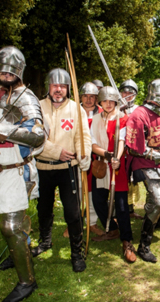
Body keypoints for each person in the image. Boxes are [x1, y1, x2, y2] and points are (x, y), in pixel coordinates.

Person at [0, 46, 46, 302]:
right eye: (3, 69)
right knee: (11, 225)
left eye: (11, 70)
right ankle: (16, 256)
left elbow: (37, 136)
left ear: (19, 72)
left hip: (16, 169)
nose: (6, 74)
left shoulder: (25, 97)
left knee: (11, 226)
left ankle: (27, 282)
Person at [31, 68, 91, 273]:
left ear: (67, 88)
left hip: (68, 169)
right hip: (43, 167)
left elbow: (83, 136)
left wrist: (84, 155)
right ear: (49, 86)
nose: (58, 89)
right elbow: (34, 139)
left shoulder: (76, 109)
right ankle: (45, 241)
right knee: (44, 209)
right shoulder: (36, 107)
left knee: (73, 213)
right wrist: (56, 152)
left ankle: (77, 253)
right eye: (55, 85)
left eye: (62, 86)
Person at [125, 79, 160, 263]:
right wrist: (153, 155)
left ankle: (153, 216)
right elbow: (132, 147)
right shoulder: (139, 114)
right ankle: (144, 245)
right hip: (144, 163)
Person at [90, 86, 136, 263]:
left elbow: (122, 140)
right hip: (102, 164)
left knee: (122, 205)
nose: (108, 104)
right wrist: (106, 155)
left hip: (118, 166)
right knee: (98, 200)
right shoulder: (94, 120)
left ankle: (127, 241)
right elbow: (92, 143)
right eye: (105, 101)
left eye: (112, 101)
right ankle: (112, 229)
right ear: (100, 102)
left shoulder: (123, 118)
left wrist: (116, 158)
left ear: (116, 102)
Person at [62, 82, 104, 238]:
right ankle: (73, 223)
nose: (88, 100)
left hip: (95, 158)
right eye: (85, 96)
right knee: (75, 192)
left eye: (92, 97)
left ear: (96, 98)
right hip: (76, 156)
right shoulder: (72, 110)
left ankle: (91, 222)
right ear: (81, 97)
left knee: (93, 192)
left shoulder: (102, 112)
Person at [119, 79, 143, 220]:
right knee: (120, 180)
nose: (127, 94)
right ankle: (118, 211)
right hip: (120, 150)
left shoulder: (140, 110)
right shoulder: (114, 107)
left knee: (132, 181)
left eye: (130, 92)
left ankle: (130, 209)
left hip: (134, 152)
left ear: (135, 94)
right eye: (125, 91)